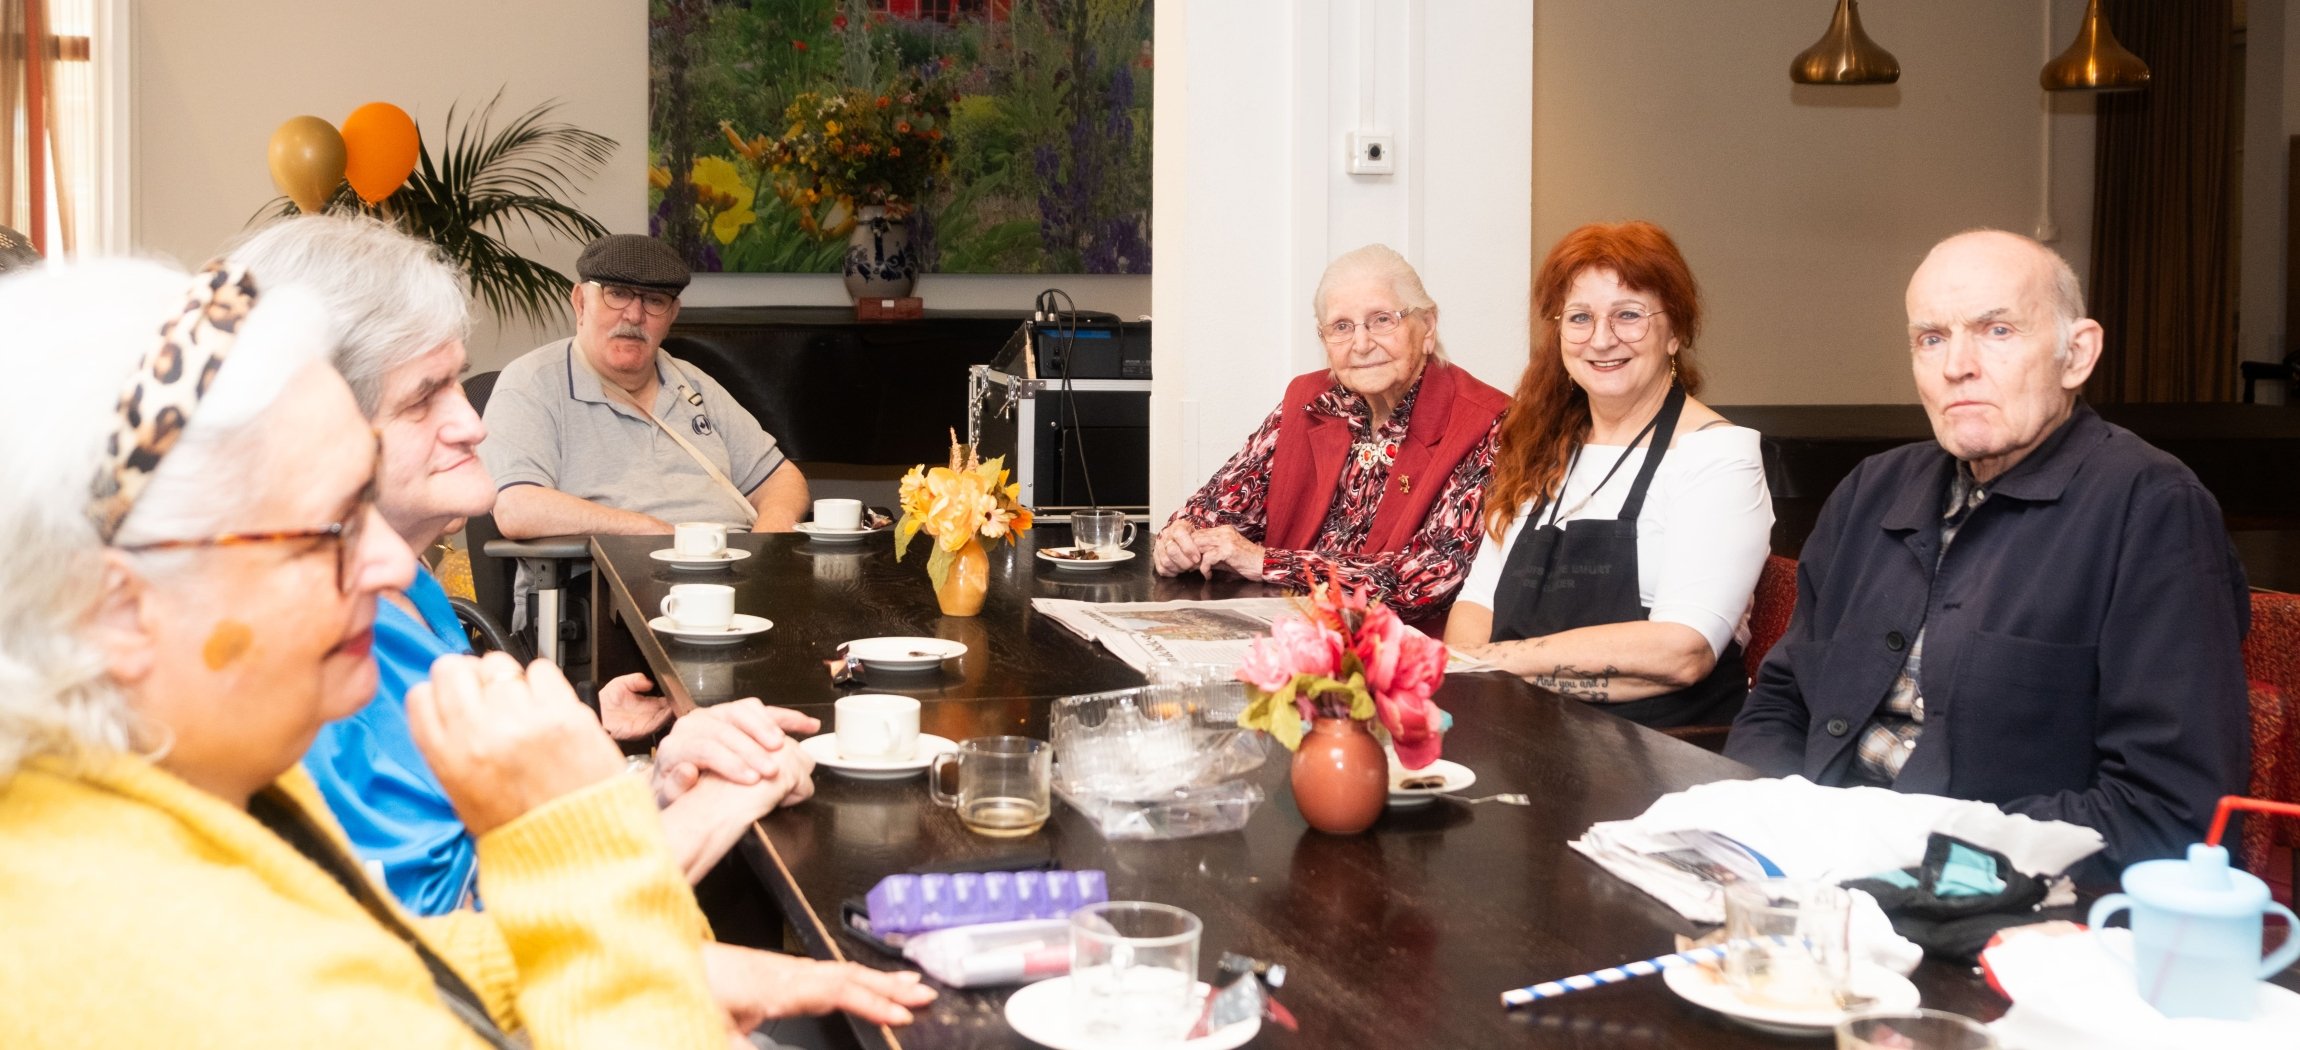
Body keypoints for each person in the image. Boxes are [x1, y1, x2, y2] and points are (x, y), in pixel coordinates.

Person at [227, 215, 934, 1038]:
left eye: (458, 385)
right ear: (310, 424)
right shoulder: (328, 641)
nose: (475, 424)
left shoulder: (408, 588)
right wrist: (707, 817)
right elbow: (446, 954)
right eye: (426, 396)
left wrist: (645, 775)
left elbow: (492, 831)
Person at [0, 258, 725, 1046]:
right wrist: (581, 841)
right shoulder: (170, 975)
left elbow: (377, 958)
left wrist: (720, 972)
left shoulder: (130, 792)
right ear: (117, 610)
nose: (389, 566)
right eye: (332, 528)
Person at [1725, 229, 2250, 871]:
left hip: (2000, 905)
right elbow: (1781, 701)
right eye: (1932, 338)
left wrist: (1909, 859)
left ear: (2077, 354)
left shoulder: (2153, 509)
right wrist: (1755, 835)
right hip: (1809, 868)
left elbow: (2171, 811)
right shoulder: (1870, 491)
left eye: (1997, 331)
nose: (1956, 366)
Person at [1446, 221, 1772, 728]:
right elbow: (1475, 608)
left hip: (1662, 750)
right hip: (1524, 731)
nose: (1601, 339)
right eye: (1579, 317)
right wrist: (1486, 669)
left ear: (1676, 332)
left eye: (1629, 315)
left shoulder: (1718, 456)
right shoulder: (1540, 447)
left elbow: (1682, 652)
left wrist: (1498, 664)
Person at [1153, 244, 1508, 621]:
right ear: (1323, 340)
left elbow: (1425, 579)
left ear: (1428, 327)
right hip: (1289, 635)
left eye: (1382, 320)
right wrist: (1180, 541)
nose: (1362, 343)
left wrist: (1264, 561)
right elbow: (1211, 512)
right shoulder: (1309, 402)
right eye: (1341, 326)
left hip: (1399, 657)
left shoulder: (1486, 423)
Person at [480, 233, 808, 539]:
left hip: (732, 572)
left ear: (672, 315)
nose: (634, 315)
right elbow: (516, 507)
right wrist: (651, 532)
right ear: (580, 302)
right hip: (608, 585)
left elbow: (782, 478)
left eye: (654, 300)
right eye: (617, 294)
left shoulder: (691, 383)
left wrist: (768, 543)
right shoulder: (533, 384)